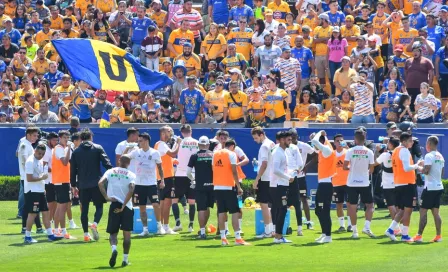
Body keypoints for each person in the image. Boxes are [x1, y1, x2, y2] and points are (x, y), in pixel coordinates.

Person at [70, 128, 113, 242]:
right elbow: (106, 163)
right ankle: (94, 224)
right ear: (91, 137)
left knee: (84, 210)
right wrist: (112, 173)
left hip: (83, 184)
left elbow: (73, 170)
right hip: (96, 183)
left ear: (81, 139)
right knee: (99, 207)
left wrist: (73, 185)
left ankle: (85, 234)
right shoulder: (97, 148)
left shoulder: (76, 152)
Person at [385, 132, 423, 242]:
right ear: (404, 141)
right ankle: (405, 235)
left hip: (399, 183)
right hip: (407, 184)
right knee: (408, 210)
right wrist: (418, 165)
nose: (412, 143)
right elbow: (406, 168)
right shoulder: (404, 151)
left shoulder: (396, 150)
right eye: (410, 141)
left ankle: (391, 229)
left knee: (401, 210)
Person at [124, 132, 164, 236]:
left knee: (156, 204)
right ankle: (145, 229)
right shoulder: (136, 152)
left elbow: (160, 167)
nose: (138, 143)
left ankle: (160, 227)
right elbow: (123, 158)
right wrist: (128, 148)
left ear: (146, 141)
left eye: (140, 141)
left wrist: (162, 180)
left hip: (151, 183)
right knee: (142, 207)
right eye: (138, 141)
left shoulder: (155, 153)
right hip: (139, 184)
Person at [98, 155, 135, 268]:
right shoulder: (131, 175)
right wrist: (124, 205)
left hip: (114, 204)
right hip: (127, 206)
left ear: (119, 161)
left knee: (113, 233)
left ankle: (114, 249)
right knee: (127, 234)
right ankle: (125, 259)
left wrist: (106, 197)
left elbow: (100, 183)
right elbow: (132, 189)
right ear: (129, 163)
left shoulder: (110, 171)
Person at [23, 144, 62, 244]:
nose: (41, 155)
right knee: (33, 213)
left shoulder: (39, 160)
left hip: (40, 191)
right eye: (39, 153)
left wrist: (43, 187)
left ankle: (50, 234)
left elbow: (39, 175)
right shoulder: (30, 161)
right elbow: (29, 178)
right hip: (32, 191)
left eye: (43, 154)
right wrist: (42, 178)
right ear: (35, 151)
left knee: (46, 212)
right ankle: (27, 236)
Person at [213, 139, 248, 246]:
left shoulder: (215, 154)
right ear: (232, 146)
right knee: (235, 211)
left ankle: (223, 238)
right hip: (229, 186)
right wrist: (238, 186)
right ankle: (238, 238)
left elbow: (213, 169)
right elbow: (234, 171)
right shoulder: (232, 154)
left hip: (217, 186)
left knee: (221, 212)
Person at [343, 129, 375, 238]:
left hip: (352, 182)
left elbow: (344, 166)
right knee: (370, 205)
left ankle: (355, 232)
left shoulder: (350, 151)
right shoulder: (369, 152)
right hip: (364, 182)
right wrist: (364, 170)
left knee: (352, 206)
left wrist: (352, 168)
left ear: (355, 139)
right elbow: (371, 169)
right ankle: (366, 227)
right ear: (364, 139)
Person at [413, 136, 444, 243]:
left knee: (423, 211)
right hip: (439, 186)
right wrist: (424, 166)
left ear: (429, 143)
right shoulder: (440, 156)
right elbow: (441, 173)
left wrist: (418, 167)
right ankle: (438, 236)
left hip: (430, 188)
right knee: (436, 212)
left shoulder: (429, 155)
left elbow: (426, 171)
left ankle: (419, 236)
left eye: (426, 142)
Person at [155, 126, 182, 234]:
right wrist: (179, 144)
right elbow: (173, 153)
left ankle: (161, 226)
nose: (170, 133)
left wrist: (172, 161)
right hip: (166, 177)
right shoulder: (161, 144)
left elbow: (168, 156)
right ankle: (165, 226)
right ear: (163, 133)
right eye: (168, 131)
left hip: (162, 176)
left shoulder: (160, 144)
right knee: (167, 202)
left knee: (163, 202)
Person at [172, 125, 199, 233]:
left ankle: (178, 223)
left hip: (180, 174)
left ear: (182, 132)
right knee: (192, 201)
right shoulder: (197, 143)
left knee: (174, 199)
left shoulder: (179, 142)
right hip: (192, 174)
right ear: (191, 131)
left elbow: (173, 153)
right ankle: (191, 225)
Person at [187, 136, 214, 239]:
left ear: (198, 145)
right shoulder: (213, 155)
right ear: (208, 145)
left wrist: (193, 179)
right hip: (212, 185)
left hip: (200, 185)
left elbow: (188, 172)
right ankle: (223, 231)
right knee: (208, 207)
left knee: (201, 208)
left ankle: (202, 232)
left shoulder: (194, 156)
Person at [311, 130, 335, 243]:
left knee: (324, 210)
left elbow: (315, 141)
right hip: (322, 184)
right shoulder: (322, 150)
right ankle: (324, 233)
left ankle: (328, 236)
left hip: (327, 185)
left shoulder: (327, 149)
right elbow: (314, 144)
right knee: (318, 210)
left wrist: (320, 132)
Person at [270, 131, 294, 244]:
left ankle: (278, 235)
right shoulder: (278, 152)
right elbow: (275, 170)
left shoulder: (283, 151)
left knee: (281, 209)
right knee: (282, 209)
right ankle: (278, 236)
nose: (290, 141)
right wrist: (288, 177)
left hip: (282, 184)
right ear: (282, 140)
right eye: (288, 139)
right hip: (279, 185)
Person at [251, 126, 275, 238]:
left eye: (256, 138)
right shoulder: (271, 143)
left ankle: (268, 231)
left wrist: (257, 179)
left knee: (264, 205)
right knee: (271, 205)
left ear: (261, 135)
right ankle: (271, 229)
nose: (255, 141)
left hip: (265, 178)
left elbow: (264, 164)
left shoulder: (264, 146)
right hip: (273, 177)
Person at [18, 127, 42, 233]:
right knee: (29, 203)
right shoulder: (24, 144)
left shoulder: (28, 144)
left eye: (37, 136)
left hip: (28, 178)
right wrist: (29, 174)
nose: (36, 138)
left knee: (33, 203)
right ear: (28, 135)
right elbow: (23, 160)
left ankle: (39, 227)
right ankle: (25, 227)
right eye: (34, 135)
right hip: (27, 178)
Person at [52, 130, 73, 239]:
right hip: (61, 181)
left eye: (67, 137)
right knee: (62, 207)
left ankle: (58, 230)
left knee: (61, 207)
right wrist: (69, 148)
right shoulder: (59, 149)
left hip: (63, 180)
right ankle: (61, 231)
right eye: (65, 137)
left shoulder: (62, 149)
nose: (66, 139)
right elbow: (65, 162)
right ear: (60, 138)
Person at [284, 130, 304, 236]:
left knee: (295, 203)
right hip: (286, 178)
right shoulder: (280, 148)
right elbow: (300, 165)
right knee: (286, 204)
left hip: (289, 178)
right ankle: (285, 227)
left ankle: (298, 228)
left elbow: (300, 164)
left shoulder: (294, 148)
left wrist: (296, 170)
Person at [374, 137, 400, 221]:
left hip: (387, 183)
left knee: (390, 204)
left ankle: (395, 226)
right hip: (398, 181)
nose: (387, 145)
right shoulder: (400, 154)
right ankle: (401, 227)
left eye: (388, 143)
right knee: (398, 205)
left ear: (391, 145)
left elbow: (375, 163)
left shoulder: (385, 155)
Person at [332, 134, 351, 232]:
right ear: (334, 143)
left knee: (349, 204)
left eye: (341, 140)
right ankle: (342, 225)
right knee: (338, 205)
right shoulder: (332, 154)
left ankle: (350, 225)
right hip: (336, 183)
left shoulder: (348, 152)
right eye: (337, 141)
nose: (339, 142)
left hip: (348, 182)